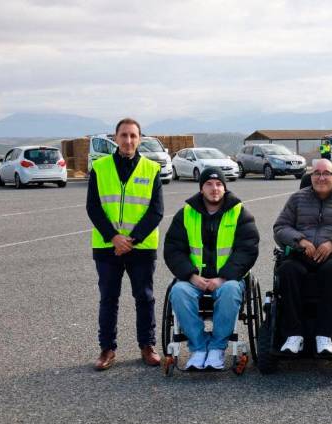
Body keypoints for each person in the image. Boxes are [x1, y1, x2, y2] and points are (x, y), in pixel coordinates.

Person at [86, 118, 164, 371]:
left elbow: (156, 211)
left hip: (141, 247)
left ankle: (147, 346)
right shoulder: (100, 167)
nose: (128, 140)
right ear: (116, 138)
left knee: (145, 298)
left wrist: (132, 239)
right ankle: (107, 349)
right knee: (108, 299)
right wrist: (113, 237)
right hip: (107, 246)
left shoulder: (151, 169)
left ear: (139, 139)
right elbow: (93, 207)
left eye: (133, 136)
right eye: (124, 135)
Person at [163, 167, 259, 370]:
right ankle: (198, 348)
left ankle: (216, 348)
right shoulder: (185, 214)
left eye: (218, 184)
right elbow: (173, 250)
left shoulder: (240, 213)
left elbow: (247, 250)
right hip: (194, 279)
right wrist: (191, 276)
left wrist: (222, 278)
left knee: (230, 290)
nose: (214, 188)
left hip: (227, 280)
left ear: (224, 188)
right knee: (178, 291)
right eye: (209, 184)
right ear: (201, 189)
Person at [273, 159, 332, 355]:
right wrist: (300, 241)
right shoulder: (296, 199)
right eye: (316, 173)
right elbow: (280, 228)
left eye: (326, 173)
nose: (321, 177)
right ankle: (294, 335)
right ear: (311, 177)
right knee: (287, 270)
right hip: (300, 257)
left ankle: (324, 335)